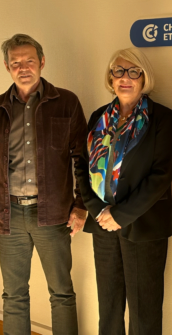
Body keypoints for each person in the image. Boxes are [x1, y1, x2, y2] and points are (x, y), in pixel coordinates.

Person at [77, 46, 172, 335]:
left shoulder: (162, 118)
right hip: (102, 225)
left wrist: (120, 215)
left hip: (144, 225)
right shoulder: (98, 117)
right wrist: (98, 211)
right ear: (110, 78)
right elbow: (82, 167)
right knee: (108, 306)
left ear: (144, 78)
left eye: (134, 72)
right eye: (119, 71)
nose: (125, 77)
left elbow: (161, 176)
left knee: (144, 311)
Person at [0, 34, 87, 335]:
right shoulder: (0, 107)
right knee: (13, 295)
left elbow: (83, 158)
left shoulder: (66, 102)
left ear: (42, 62)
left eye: (29, 60)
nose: (23, 68)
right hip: (8, 215)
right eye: (15, 63)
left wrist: (81, 206)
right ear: (7, 67)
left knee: (61, 293)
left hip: (52, 214)